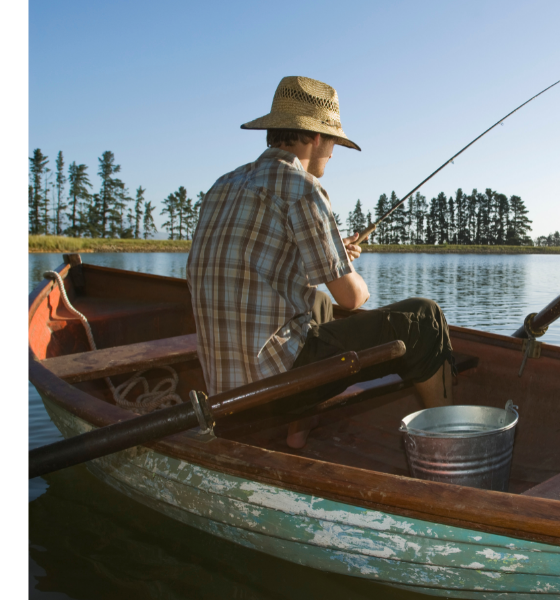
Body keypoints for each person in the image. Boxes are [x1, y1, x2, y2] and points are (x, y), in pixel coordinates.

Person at [186, 76, 454, 449]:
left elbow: (267, 263)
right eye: (334, 143)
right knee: (423, 319)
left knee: (318, 301)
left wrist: (333, 256)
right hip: (275, 386)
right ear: (316, 137)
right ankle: (448, 446)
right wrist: (349, 270)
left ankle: (297, 436)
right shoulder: (302, 187)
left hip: (224, 387)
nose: (332, 152)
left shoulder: (223, 185)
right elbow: (353, 298)